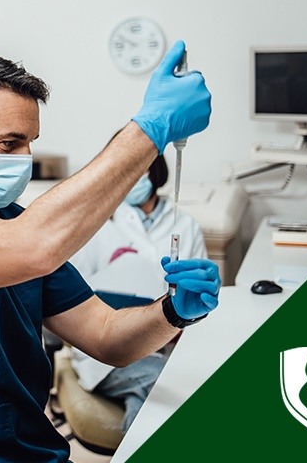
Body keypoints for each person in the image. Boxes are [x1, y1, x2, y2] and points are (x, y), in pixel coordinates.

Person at [0, 42, 219, 462]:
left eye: (29, 143)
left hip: (34, 450)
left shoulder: (12, 219)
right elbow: (33, 247)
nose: (24, 159)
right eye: (9, 144)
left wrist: (172, 311)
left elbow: (106, 337)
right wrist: (150, 129)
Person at [67, 154, 208, 434]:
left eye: (137, 169)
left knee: (150, 403)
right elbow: (71, 296)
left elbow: (201, 298)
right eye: (122, 169)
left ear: (155, 171)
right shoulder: (95, 222)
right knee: (159, 384)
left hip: (171, 345)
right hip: (110, 349)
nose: (129, 178)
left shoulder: (186, 225)